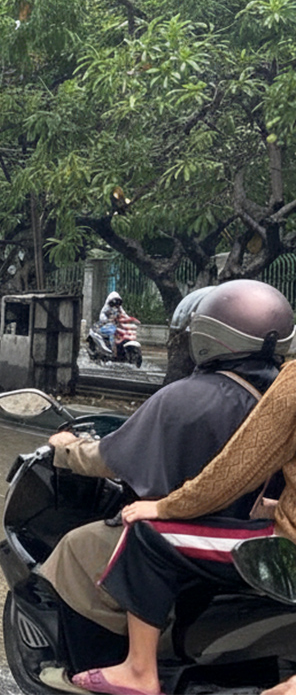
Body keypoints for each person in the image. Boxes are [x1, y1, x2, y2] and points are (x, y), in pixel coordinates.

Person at [60, 280, 296, 695]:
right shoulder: (278, 385)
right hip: (260, 528)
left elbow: (235, 470)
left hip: (274, 538)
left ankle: (131, 670)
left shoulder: (190, 397)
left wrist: (166, 507)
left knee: (125, 539)